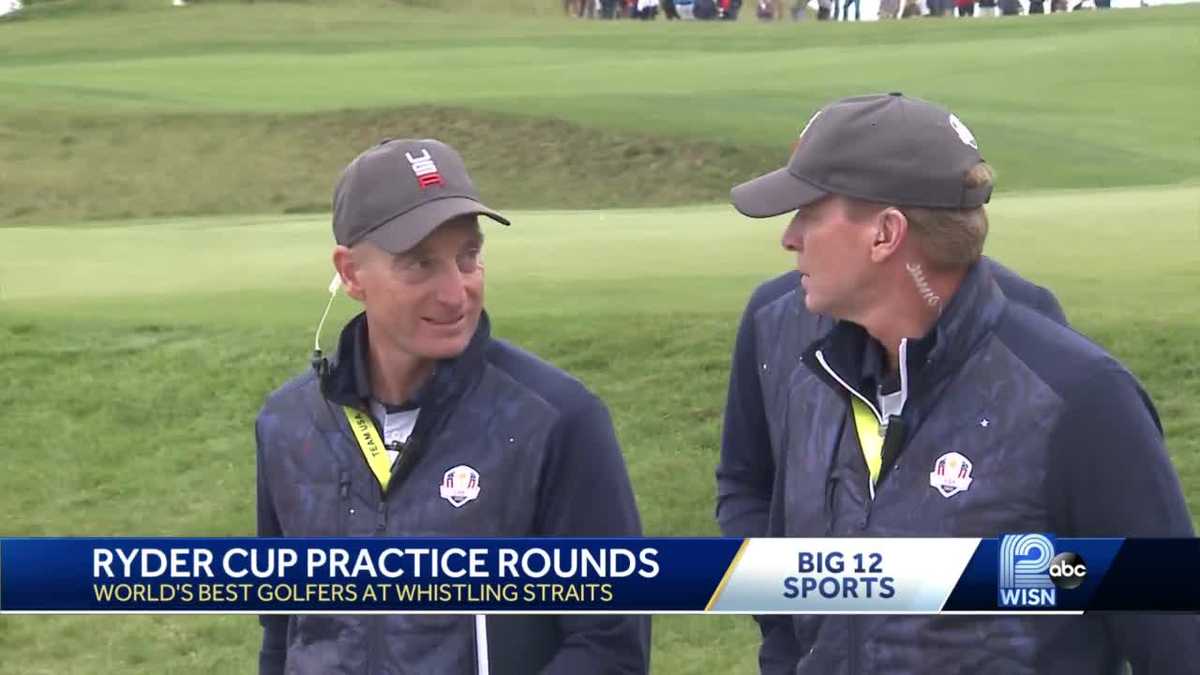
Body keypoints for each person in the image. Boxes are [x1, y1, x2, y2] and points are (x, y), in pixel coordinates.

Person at [722, 92, 1198, 674]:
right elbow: (759, 515)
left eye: (810, 214)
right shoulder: (803, 359)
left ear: (885, 234)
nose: (789, 237)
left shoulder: (1080, 399)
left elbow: (1176, 638)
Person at [255, 138, 649, 675]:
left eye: (468, 257)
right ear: (350, 273)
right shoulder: (288, 424)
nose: (456, 292)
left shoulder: (555, 421)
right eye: (420, 264)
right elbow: (284, 629)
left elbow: (609, 643)